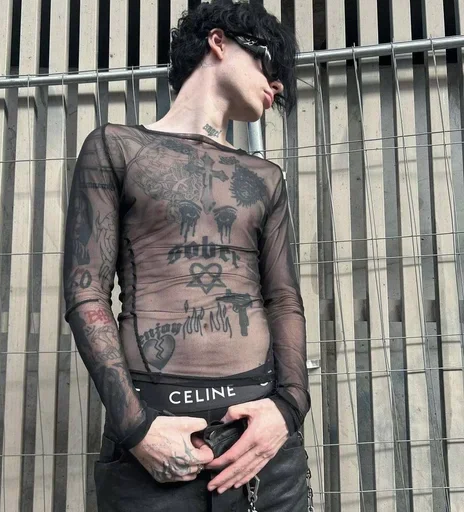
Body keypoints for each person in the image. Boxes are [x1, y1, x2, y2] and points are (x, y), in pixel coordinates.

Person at [63, 1, 310, 510]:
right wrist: (136, 428)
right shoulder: (116, 147)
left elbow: (284, 300)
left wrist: (288, 408)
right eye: (268, 61)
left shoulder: (265, 178)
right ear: (218, 42)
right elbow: (87, 293)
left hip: (261, 441)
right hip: (154, 432)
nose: (277, 85)